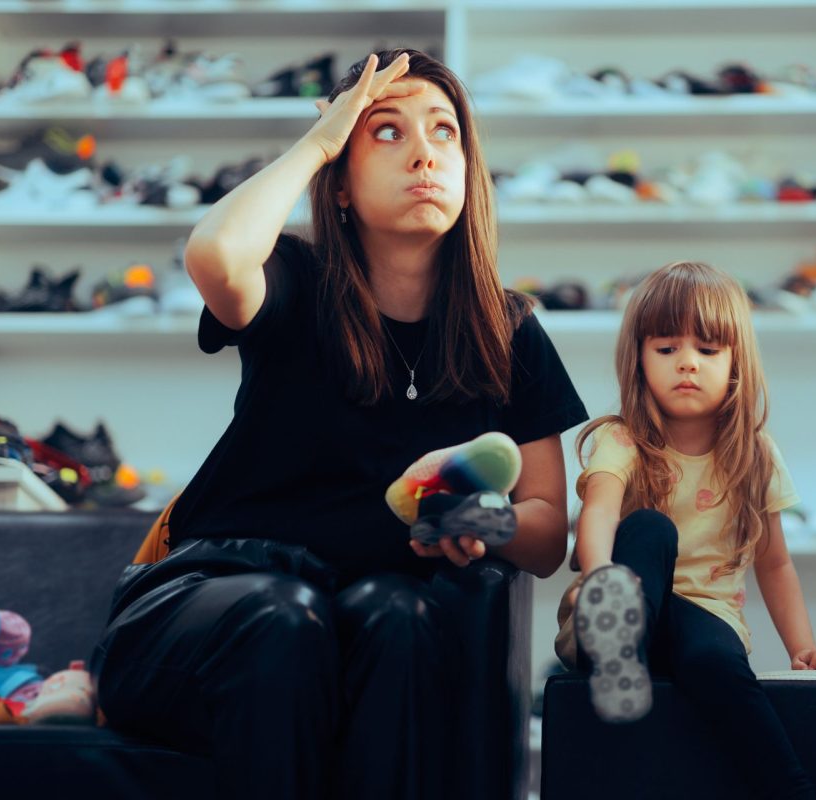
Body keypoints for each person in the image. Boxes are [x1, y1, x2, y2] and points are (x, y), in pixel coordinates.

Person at [90, 49, 588, 800]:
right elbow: (214, 254)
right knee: (285, 618)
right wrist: (321, 140)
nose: (424, 151)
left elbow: (548, 533)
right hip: (216, 595)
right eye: (386, 132)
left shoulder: (507, 330)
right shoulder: (292, 282)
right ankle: (89, 683)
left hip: (361, 614)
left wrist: (488, 521)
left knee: (400, 615)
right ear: (343, 185)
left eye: (444, 131)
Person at [555, 261, 816, 800]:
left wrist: (802, 650)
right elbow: (597, 513)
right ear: (639, 360)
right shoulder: (621, 439)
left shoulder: (755, 455)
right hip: (624, 617)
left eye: (707, 351)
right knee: (648, 528)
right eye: (666, 350)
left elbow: (775, 562)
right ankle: (616, 633)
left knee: (712, 657)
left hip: (706, 621)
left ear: (736, 362)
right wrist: (598, 580)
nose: (686, 363)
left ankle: (794, 791)